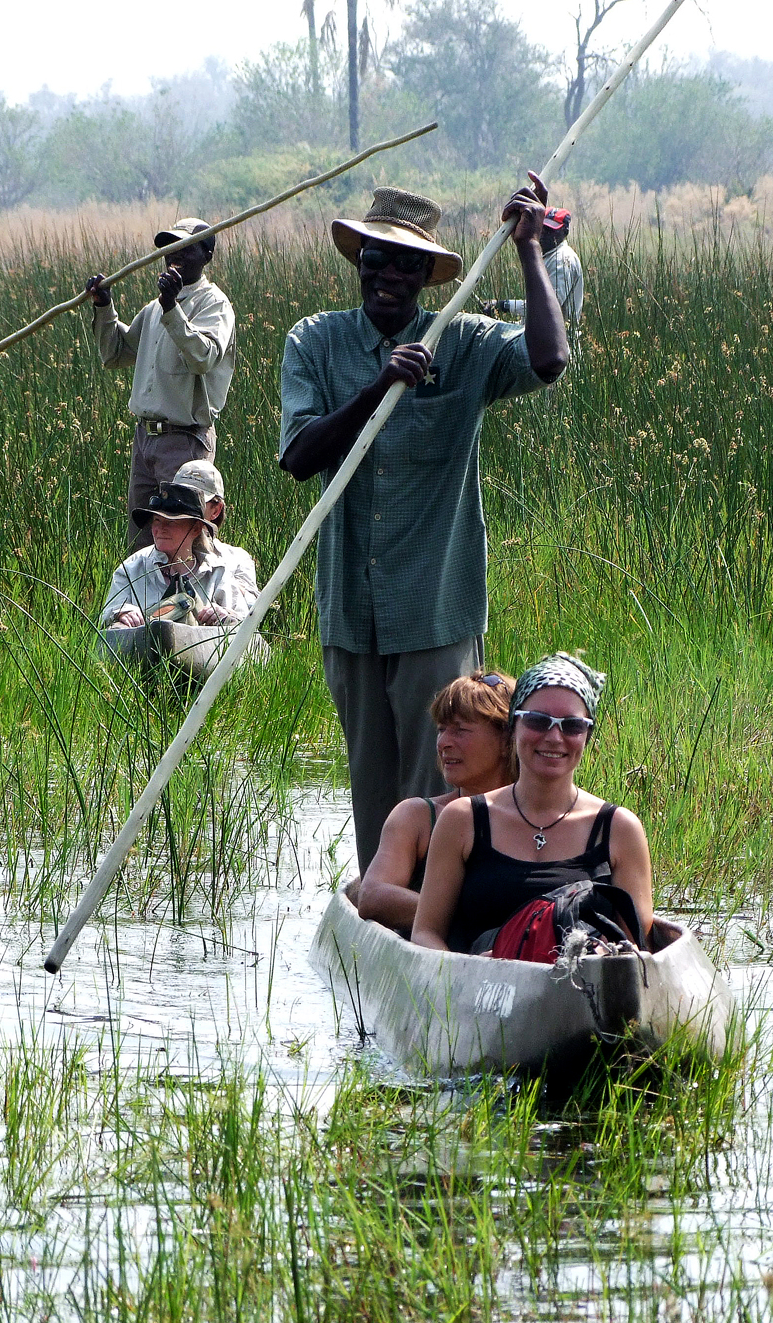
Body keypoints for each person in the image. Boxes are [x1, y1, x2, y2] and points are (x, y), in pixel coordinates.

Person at [279, 179, 569, 871]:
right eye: (376, 259)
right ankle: (384, 916)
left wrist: (531, 253)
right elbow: (297, 456)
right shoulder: (314, 342)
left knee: (445, 788)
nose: (388, 275)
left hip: (436, 612)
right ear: (359, 263)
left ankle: (439, 917)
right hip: (351, 613)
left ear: (426, 277)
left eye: (406, 264)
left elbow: (549, 359)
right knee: (374, 797)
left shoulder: (461, 343)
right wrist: (378, 387)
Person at [410, 653, 653, 955]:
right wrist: (474, 971)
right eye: (538, 721)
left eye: (572, 725)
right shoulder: (462, 819)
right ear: (513, 728)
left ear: (587, 735)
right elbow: (425, 934)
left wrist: (594, 959)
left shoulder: (620, 828)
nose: (554, 737)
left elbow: (633, 946)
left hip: (579, 987)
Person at [82, 220, 238, 552]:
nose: (173, 254)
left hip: (184, 441)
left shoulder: (214, 305)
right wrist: (103, 305)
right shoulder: (154, 309)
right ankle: (145, 604)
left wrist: (173, 309)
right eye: (168, 247)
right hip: (146, 440)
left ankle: (199, 604)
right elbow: (115, 354)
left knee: (188, 542)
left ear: (207, 255)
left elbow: (203, 357)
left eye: (186, 247)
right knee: (145, 544)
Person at [353, 670, 516, 934]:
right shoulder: (416, 817)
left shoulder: (539, 820)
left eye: (461, 730)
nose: (443, 743)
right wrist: (469, 915)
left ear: (508, 740)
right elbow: (371, 896)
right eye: (441, 730)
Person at [98, 459, 258, 631]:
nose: (160, 529)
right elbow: (107, 618)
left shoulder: (226, 566)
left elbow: (248, 625)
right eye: (157, 520)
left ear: (214, 511)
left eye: (172, 522)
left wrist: (225, 616)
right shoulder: (133, 567)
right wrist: (121, 613)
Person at [484, 208, 583, 325]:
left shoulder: (562, 260)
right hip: (541, 335)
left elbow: (547, 306)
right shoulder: (546, 256)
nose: (544, 233)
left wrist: (504, 305)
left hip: (556, 340)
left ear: (565, 232)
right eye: (543, 228)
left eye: (551, 230)